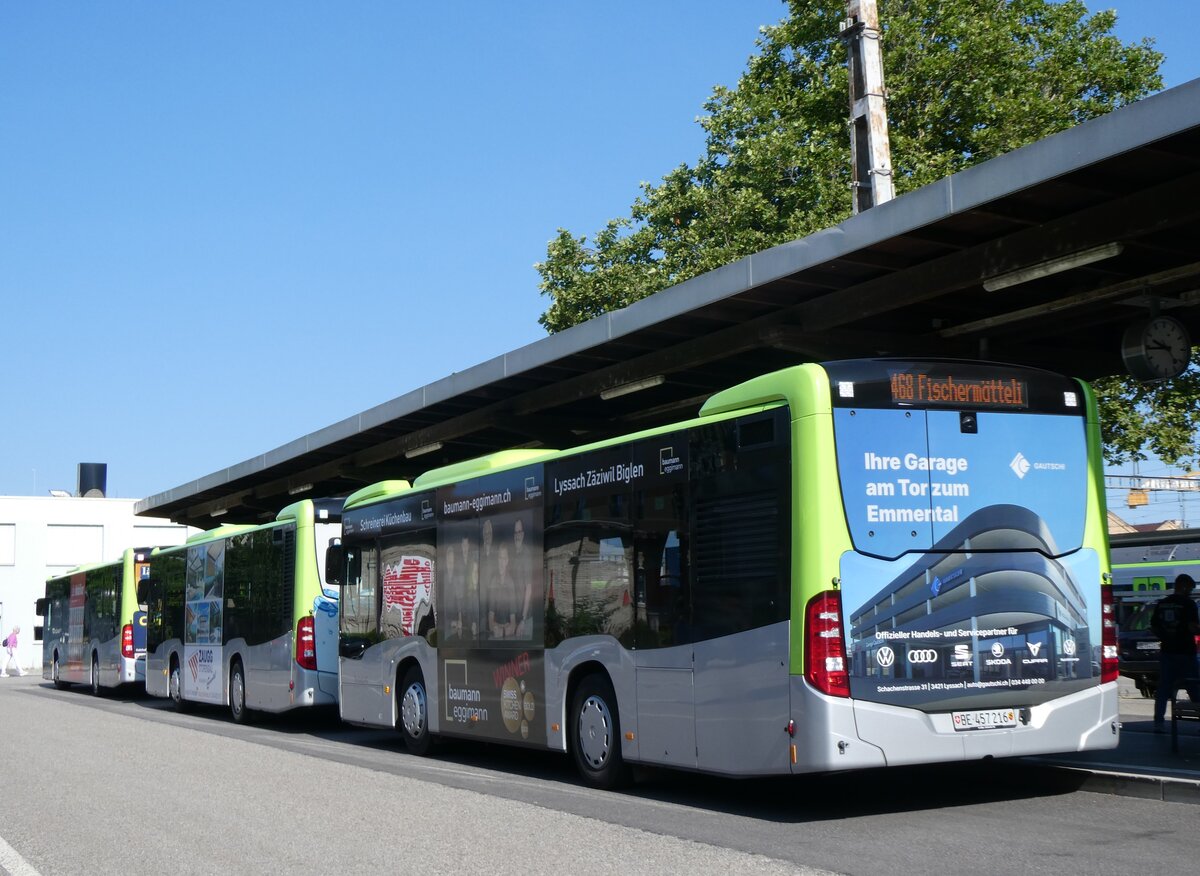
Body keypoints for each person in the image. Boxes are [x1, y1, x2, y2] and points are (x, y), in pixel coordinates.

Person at [1151, 574, 1200, 731]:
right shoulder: (1188, 604)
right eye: (1190, 588)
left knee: (1164, 688)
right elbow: (1193, 627)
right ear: (1183, 586)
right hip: (1185, 652)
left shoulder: (1162, 603)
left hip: (1167, 652)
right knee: (1194, 686)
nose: (1191, 592)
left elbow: (1154, 626)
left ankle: (1158, 722)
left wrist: (1166, 637)